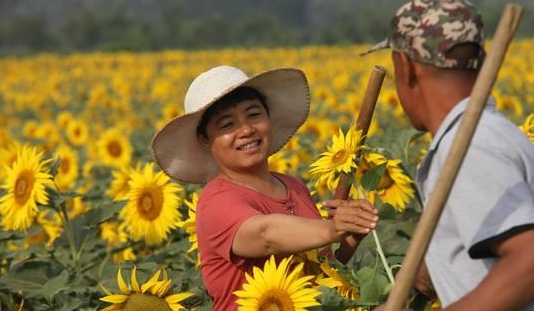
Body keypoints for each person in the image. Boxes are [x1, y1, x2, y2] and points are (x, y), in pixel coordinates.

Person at [362, 0, 534, 310]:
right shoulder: (495, 134)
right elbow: (484, 244)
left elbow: (532, 265)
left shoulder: (470, 149)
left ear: (406, 67)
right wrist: (429, 272)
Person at [151, 66, 378, 311]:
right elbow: (264, 235)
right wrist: (332, 229)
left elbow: (320, 271)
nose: (246, 130)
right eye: (227, 124)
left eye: (254, 115)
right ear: (206, 140)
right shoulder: (215, 201)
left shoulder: (294, 186)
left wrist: (350, 237)